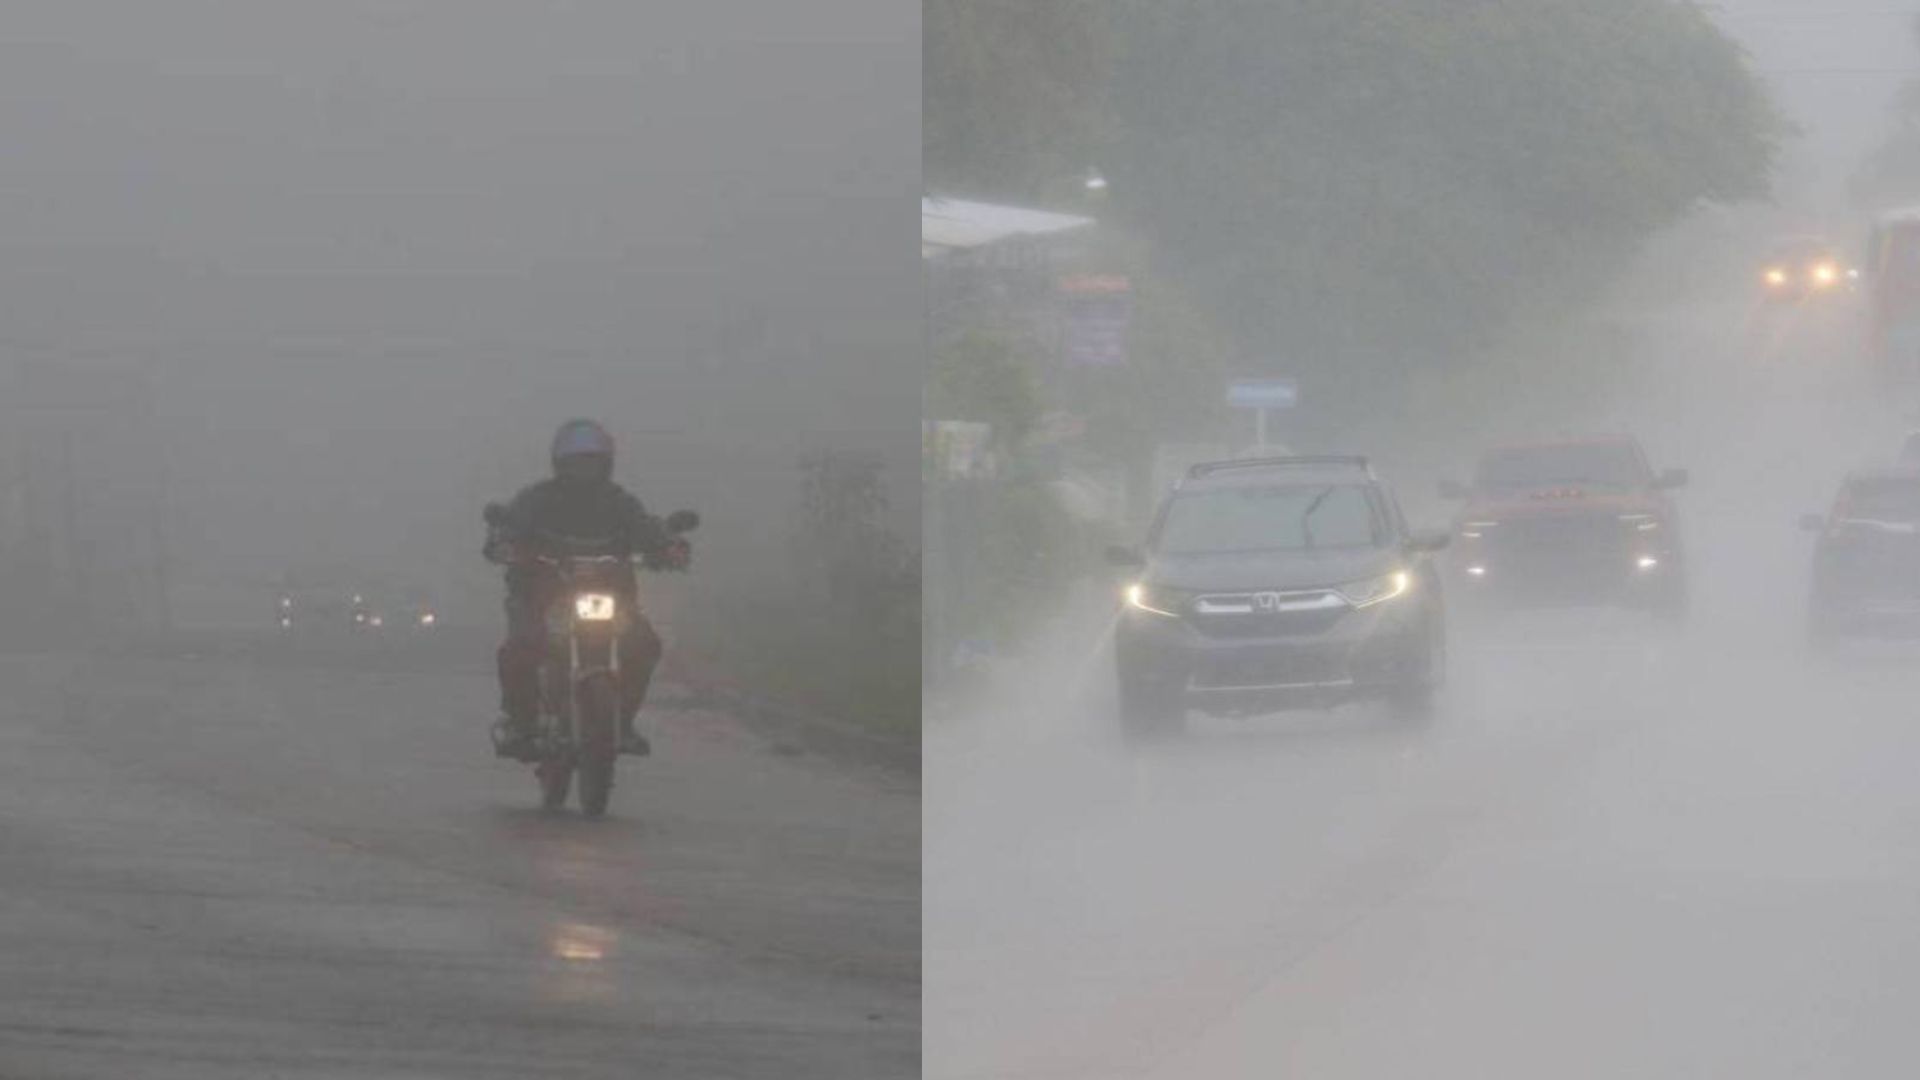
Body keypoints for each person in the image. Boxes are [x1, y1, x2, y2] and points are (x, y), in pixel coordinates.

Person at [485, 419, 690, 760]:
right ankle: (520, 723)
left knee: (643, 645)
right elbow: (510, 526)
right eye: (578, 462)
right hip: (544, 595)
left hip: (612, 596)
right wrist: (503, 542)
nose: (585, 469)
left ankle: (622, 722)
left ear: (606, 463)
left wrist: (668, 547)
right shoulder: (537, 499)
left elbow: (646, 529)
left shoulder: (620, 502)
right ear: (561, 464)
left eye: (592, 461)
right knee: (520, 647)